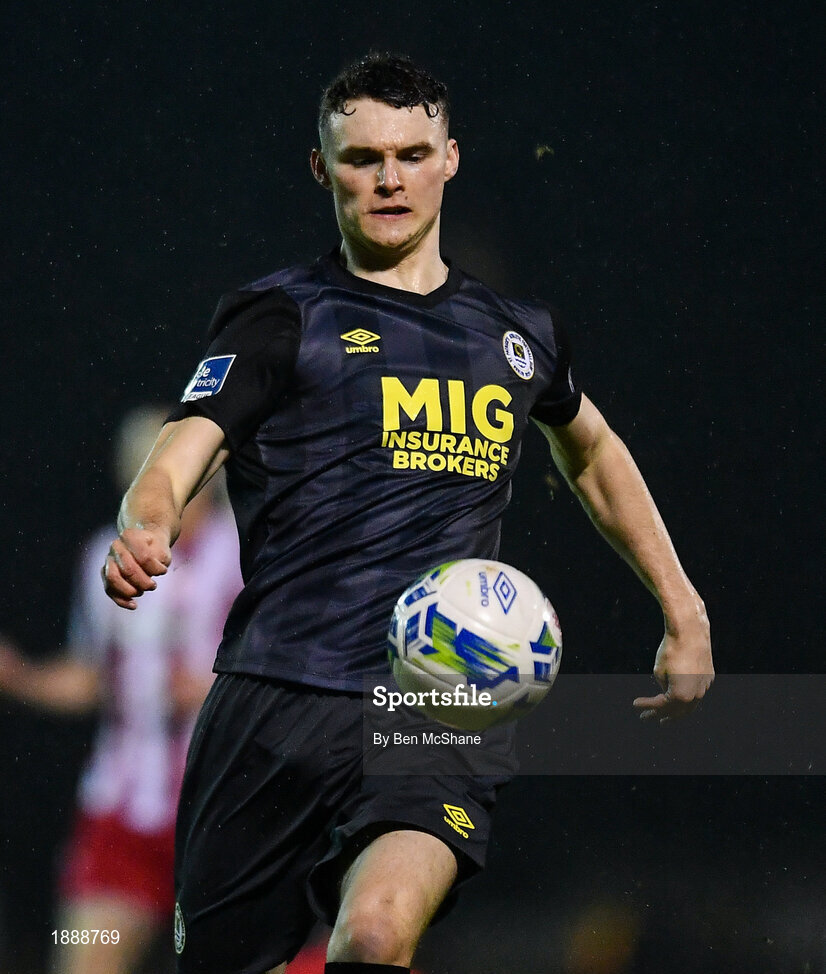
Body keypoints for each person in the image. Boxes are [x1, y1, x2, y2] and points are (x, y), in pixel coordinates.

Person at [102, 53, 714, 974]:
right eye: (363, 158)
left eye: (412, 154)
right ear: (323, 169)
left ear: (450, 160)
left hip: (434, 700)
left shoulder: (517, 335)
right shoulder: (281, 317)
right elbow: (184, 448)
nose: (389, 178)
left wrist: (682, 605)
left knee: (378, 935)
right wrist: (149, 521)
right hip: (277, 699)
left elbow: (592, 450)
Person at [0, 406, 242, 974]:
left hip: (223, 812)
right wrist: (19, 676)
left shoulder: (245, 552)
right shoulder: (102, 557)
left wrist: (217, 688)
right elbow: (94, 678)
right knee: (84, 961)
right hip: (122, 816)